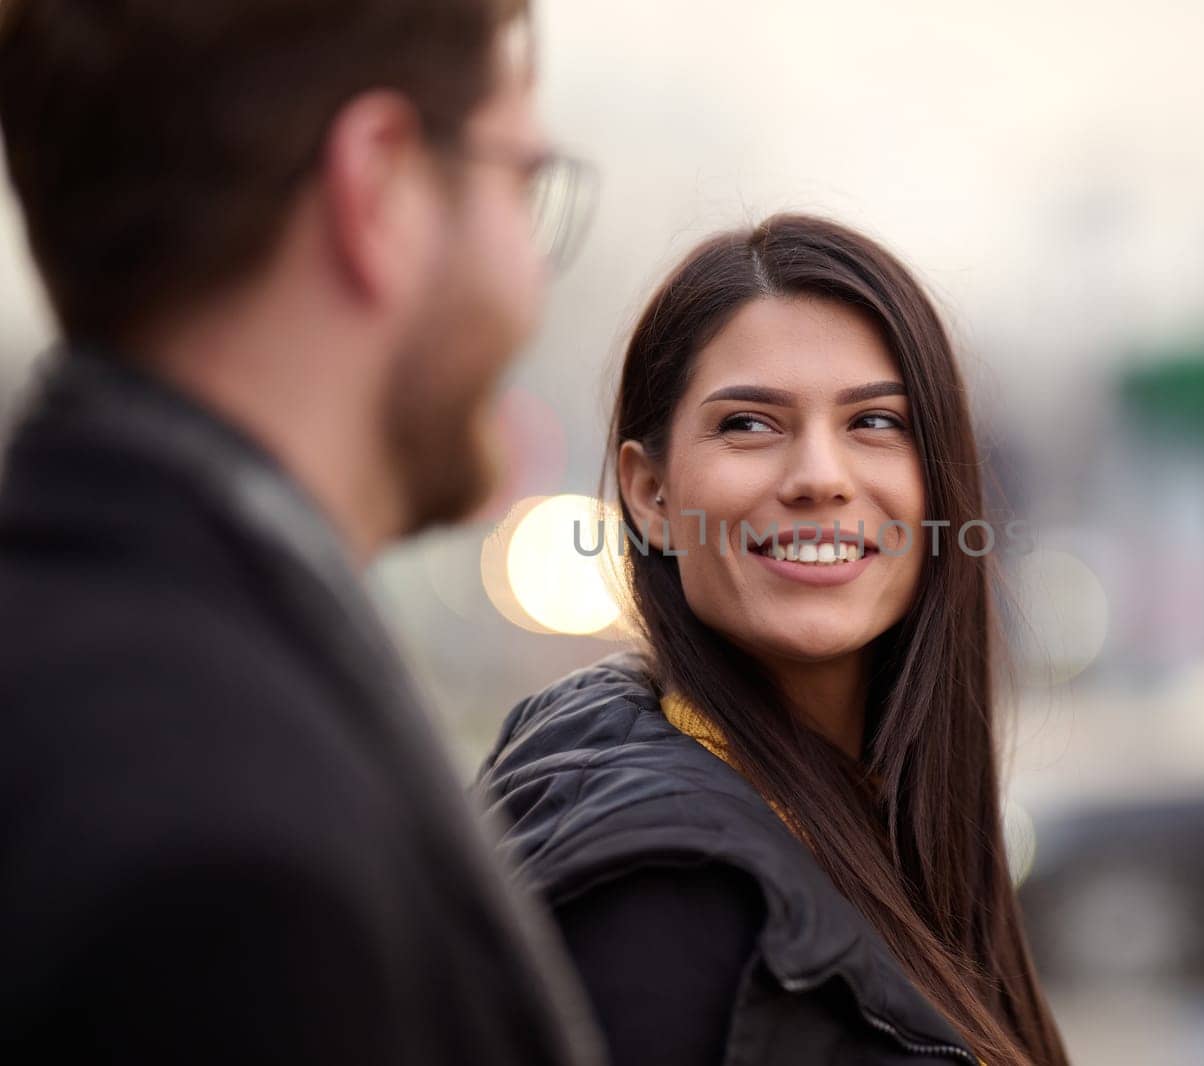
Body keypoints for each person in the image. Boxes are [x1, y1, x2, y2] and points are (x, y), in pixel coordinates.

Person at [0, 1, 601, 1063]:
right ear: (380, 189)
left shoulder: (80, 643)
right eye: (523, 183)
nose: (532, 281)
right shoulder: (232, 870)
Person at [480, 214, 1071, 1066]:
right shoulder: (667, 894)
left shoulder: (859, 811)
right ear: (650, 496)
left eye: (876, 423)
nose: (820, 479)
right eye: (750, 425)